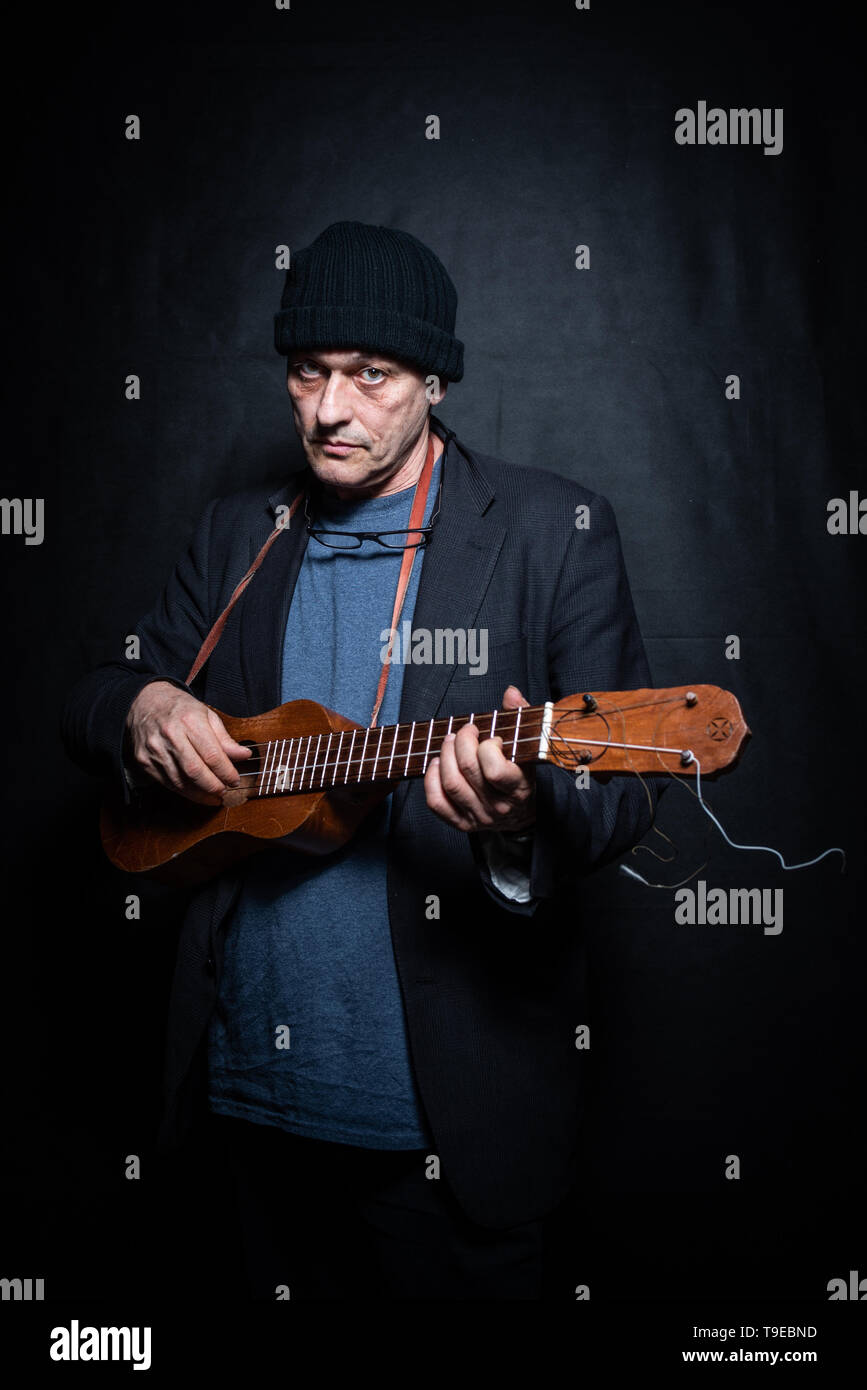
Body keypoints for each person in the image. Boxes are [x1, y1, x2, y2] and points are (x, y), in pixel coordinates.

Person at [61, 219, 659, 1300]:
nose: (331, 410)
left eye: (370, 375)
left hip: (450, 1124)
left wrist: (520, 820)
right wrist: (142, 703)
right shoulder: (237, 529)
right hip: (244, 1098)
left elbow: (620, 794)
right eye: (308, 374)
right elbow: (93, 693)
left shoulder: (550, 531)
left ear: (434, 379)